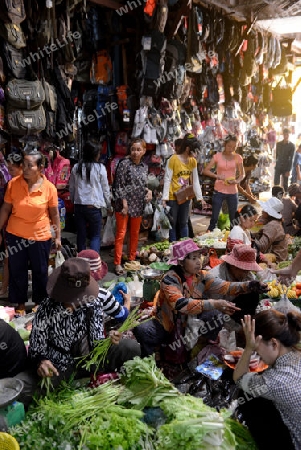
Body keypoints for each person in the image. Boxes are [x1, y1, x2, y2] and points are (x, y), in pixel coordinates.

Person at [133, 239, 270, 358]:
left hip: (191, 322)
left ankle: (202, 348)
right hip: (169, 324)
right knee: (143, 331)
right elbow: (180, 304)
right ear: (181, 262)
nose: (198, 262)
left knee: (216, 317)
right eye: (193, 258)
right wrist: (214, 303)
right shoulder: (170, 279)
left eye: (199, 257)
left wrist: (250, 285)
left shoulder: (202, 276)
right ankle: (153, 355)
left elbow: (225, 286)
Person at [29, 258, 140, 384]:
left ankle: (105, 377)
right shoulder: (47, 308)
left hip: (93, 358)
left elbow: (97, 340)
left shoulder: (93, 301)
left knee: (130, 347)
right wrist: (42, 361)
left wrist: (110, 339)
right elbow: (36, 346)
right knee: (40, 384)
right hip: (62, 364)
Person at [0, 149, 61, 315]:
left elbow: (54, 214)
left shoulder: (50, 188)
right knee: (17, 269)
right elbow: (6, 208)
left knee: (40, 271)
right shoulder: (13, 184)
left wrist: (58, 236)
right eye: (23, 165)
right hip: (15, 235)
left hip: (40, 236)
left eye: (29, 165)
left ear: (40, 167)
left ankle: (39, 302)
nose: (25, 168)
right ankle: (19, 303)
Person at [233, 312, 301, 449]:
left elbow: (239, 378)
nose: (257, 355)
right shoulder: (296, 354)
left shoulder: (275, 382)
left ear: (274, 343)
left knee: (247, 398)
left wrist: (248, 348)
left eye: (257, 350)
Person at [113, 138, 152, 275]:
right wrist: (124, 204)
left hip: (138, 204)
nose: (135, 152)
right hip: (123, 205)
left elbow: (144, 185)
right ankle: (117, 263)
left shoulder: (144, 167)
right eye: (133, 149)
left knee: (135, 234)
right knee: (121, 234)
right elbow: (119, 184)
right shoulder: (124, 164)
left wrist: (149, 192)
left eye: (138, 150)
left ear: (144, 151)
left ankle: (131, 260)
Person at [204, 244, 268, 323]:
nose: (247, 273)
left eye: (248, 270)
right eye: (244, 270)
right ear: (233, 265)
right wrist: (237, 329)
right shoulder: (215, 277)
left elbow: (252, 284)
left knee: (253, 291)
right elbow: (215, 312)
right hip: (218, 315)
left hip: (236, 310)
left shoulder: (247, 274)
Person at [69, 141, 112, 254]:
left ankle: (82, 264)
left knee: (81, 236)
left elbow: (72, 188)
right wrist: (108, 205)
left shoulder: (76, 167)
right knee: (95, 236)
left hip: (79, 206)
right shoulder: (100, 168)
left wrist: (74, 201)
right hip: (94, 206)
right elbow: (105, 189)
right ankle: (94, 264)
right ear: (95, 154)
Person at [162, 134, 204, 242]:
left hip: (185, 197)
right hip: (172, 197)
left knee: (184, 222)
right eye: (194, 151)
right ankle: (173, 246)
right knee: (173, 223)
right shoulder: (173, 159)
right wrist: (165, 198)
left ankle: (185, 245)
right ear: (187, 149)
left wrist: (200, 198)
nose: (195, 154)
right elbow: (167, 179)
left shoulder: (192, 162)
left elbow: (195, 181)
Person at [202, 134, 245, 232]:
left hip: (232, 191)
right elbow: (206, 170)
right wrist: (217, 176)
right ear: (225, 144)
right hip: (219, 190)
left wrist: (236, 181)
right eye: (229, 146)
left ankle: (233, 238)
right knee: (214, 218)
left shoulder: (238, 157)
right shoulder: (217, 156)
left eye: (234, 147)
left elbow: (242, 174)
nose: (231, 149)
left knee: (234, 219)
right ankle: (211, 236)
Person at [0, 150, 23, 298]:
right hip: (10, 227)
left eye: (12, 168)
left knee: (13, 260)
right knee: (8, 259)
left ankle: (7, 288)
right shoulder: (10, 184)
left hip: (22, 227)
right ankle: (5, 288)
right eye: (8, 168)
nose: (10, 171)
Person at [253, 197, 288, 262]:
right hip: (280, 256)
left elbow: (261, 246)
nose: (262, 210)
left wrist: (248, 238)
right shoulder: (273, 221)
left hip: (276, 260)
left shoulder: (272, 225)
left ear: (269, 213)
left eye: (264, 209)